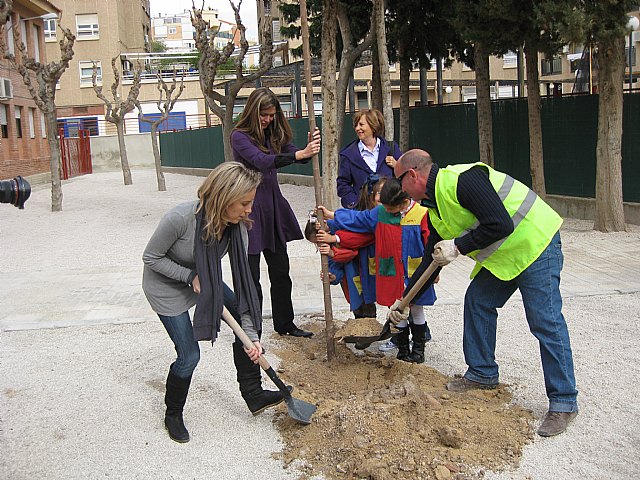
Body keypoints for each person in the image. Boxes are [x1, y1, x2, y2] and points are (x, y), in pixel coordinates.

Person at [391, 149, 578, 436]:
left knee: (545, 321)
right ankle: (482, 374)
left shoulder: (463, 181)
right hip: (507, 255)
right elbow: (432, 261)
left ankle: (564, 402)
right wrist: (405, 301)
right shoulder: (434, 208)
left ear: (413, 174)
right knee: (478, 301)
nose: (400, 189)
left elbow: (499, 223)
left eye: (400, 181)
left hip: (535, 244)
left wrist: (459, 246)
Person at [142, 162, 291, 444]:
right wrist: (189, 276)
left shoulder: (237, 227)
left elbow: (246, 289)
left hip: (205, 277)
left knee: (241, 314)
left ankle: (254, 394)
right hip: (166, 286)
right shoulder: (180, 218)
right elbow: (151, 258)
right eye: (244, 203)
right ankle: (173, 413)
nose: (250, 209)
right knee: (189, 356)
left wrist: (252, 336)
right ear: (224, 197)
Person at [231, 87, 320, 338]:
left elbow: (293, 154)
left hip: (272, 208)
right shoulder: (239, 136)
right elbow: (261, 161)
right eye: (264, 114)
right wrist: (298, 154)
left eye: (271, 115)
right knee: (251, 276)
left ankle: (285, 324)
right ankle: (252, 329)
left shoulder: (272, 135)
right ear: (252, 111)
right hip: (248, 210)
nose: (268, 119)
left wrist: (309, 148)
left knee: (281, 271)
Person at [318, 178, 437, 364]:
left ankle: (419, 349)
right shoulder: (381, 212)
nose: (384, 209)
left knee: (416, 309)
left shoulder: (422, 214)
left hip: (416, 273)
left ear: (403, 202)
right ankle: (403, 348)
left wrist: (434, 271)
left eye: (389, 207)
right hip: (393, 272)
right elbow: (359, 218)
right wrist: (333, 215)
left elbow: (430, 243)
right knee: (398, 309)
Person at [337, 109, 402, 209]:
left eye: (361, 124)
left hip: (389, 210)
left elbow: (404, 177)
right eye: (356, 125)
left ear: (373, 126)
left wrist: (396, 165)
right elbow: (343, 184)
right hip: (362, 213)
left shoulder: (391, 148)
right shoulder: (348, 154)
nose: (357, 128)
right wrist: (353, 204)